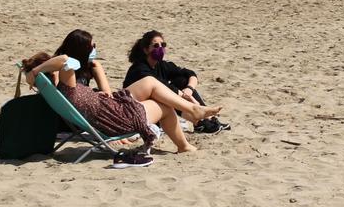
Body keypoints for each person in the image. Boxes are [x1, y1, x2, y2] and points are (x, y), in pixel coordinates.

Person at [21, 31, 222, 156]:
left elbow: (65, 59)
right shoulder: (68, 79)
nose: (95, 49)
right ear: (81, 51)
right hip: (115, 117)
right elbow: (64, 58)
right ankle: (187, 133)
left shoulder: (68, 85)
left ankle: (193, 111)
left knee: (151, 83)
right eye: (92, 46)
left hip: (109, 106)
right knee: (165, 106)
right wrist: (36, 71)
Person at [123, 30, 230, 135]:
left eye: (163, 44)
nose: (160, 48)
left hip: (158, 104)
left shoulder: (161, 65)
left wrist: (189, 89)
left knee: (181, 80)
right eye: (156, 46)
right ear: (146, 50)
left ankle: (206, 119)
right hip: (137, 108)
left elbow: (189, 73)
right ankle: (201, 119)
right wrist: (189, 99)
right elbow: (163, 87)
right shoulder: (139, 69)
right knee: (167, 96)